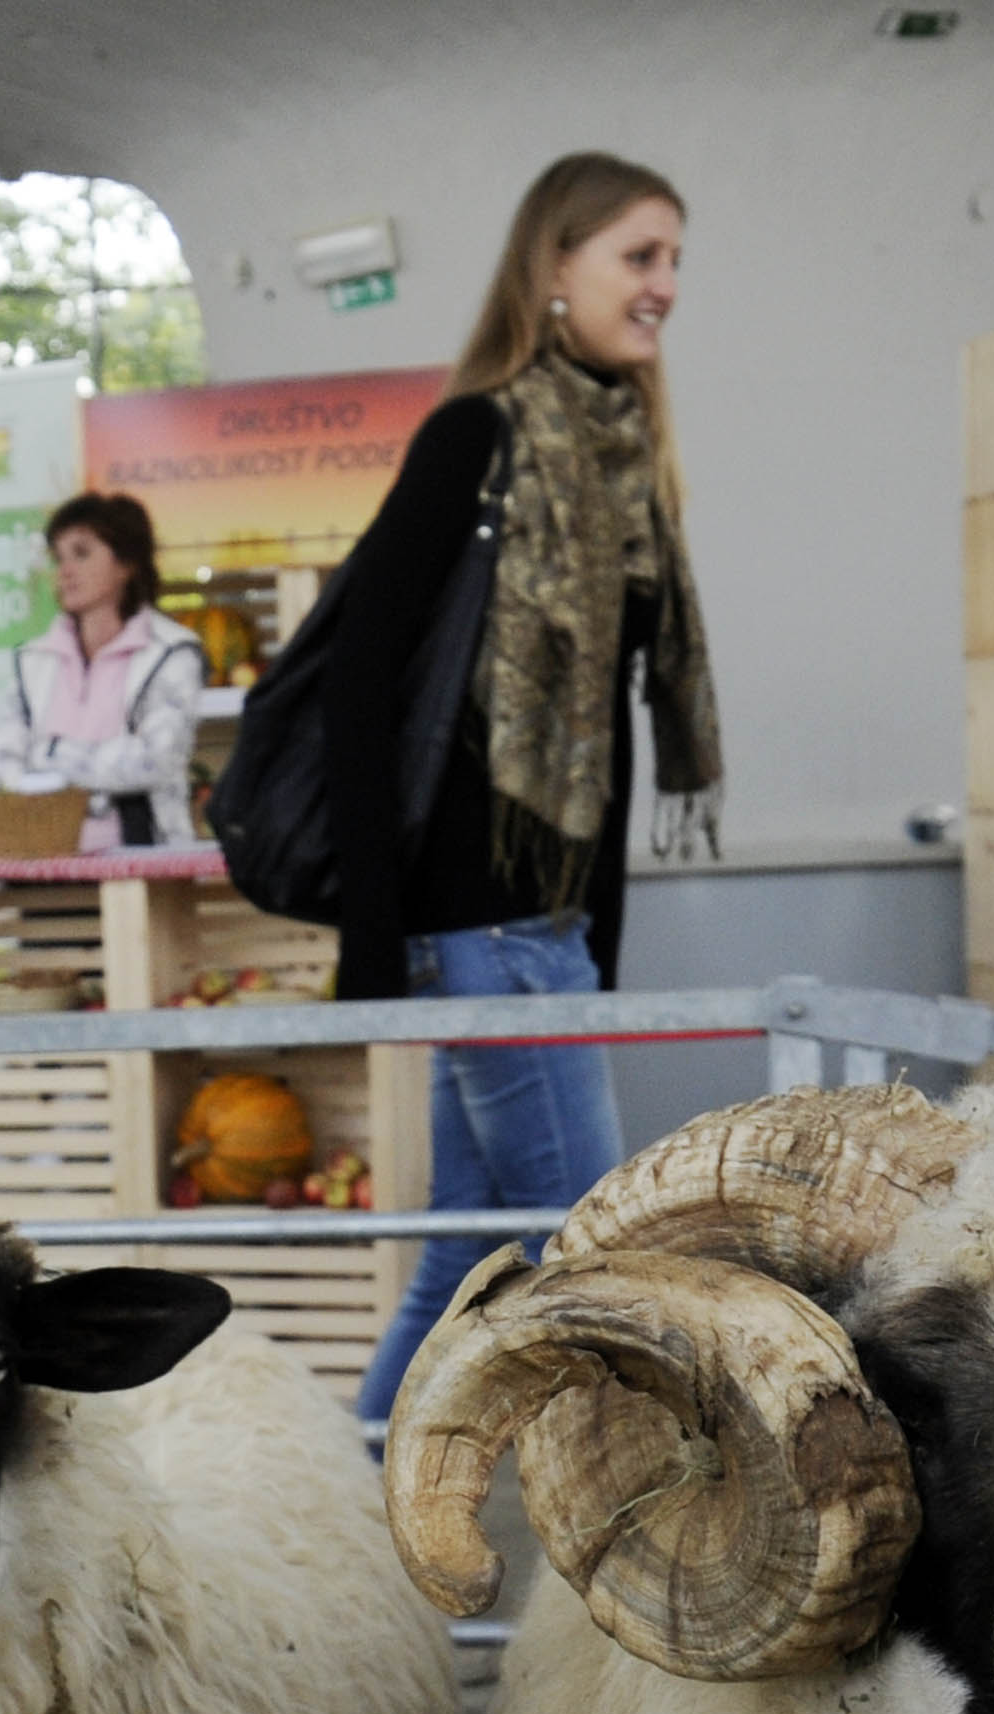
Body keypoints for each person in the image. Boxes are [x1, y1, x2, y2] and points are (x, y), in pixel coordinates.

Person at [329, 153, 723, 1420]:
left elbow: (604, 727)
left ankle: (335, 1521)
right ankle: (632, 1580)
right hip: (474, 922)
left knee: (466, 1248)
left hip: (543, 931)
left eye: (674, 259)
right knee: (590, 1250)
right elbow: (361, 670)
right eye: (639, 256)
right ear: (556, 267)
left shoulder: (624, 467)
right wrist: (375, 940)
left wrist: (596, 942)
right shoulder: (479, 438)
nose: (665, 284)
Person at [6, 492, 201, 850]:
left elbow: (157, 759)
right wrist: (92, 770)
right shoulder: (31, 659)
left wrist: (52, 755)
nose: (65, 571)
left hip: (145, 863)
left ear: (126, 563)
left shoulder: (172, 651)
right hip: (44, 862)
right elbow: (9, 762)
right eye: (58, 558)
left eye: (81, 553)